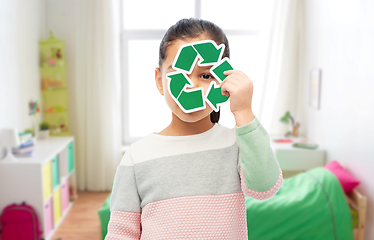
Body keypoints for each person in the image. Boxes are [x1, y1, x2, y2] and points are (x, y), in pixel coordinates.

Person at [105, 18, 283, 239]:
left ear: (223, 80)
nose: (192, 86)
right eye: (180, 73)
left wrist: (244, 111)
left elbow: (265, 187)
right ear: (159, 80)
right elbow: (122, 232)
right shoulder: (136, 157)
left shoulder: (237, 144)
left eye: (206, 75)